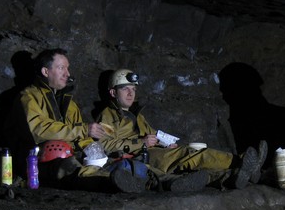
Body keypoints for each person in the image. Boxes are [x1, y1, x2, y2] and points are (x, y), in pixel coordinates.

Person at [96, 68, 266, 189]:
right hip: (140, 158)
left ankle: (235, 176)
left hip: (154, 153)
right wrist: (139, 143)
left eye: (133, 89)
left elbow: (154, 135)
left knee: (193, 160)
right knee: (192, 155)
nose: (131, 93)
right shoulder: (108, 116)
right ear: (113, 93)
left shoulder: (137, 116)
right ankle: (241, 162)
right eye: (125, 89)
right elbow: (105, 145)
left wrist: (164, 144)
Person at [14, 48, 151, 193]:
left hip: (71, 154)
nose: (67, 73)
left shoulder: (69, 103)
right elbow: (38, 130)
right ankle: (112, 181)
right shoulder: (28, 97)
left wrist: (98, 153)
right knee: (71, 166)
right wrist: (83, 130)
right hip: (39, 161)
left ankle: (163, 180)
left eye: (68, 68)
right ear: (46, 71)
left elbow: (82, 136)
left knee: (118, 162)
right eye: (61, 68)